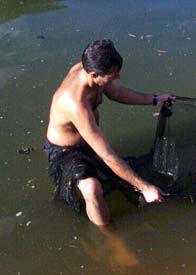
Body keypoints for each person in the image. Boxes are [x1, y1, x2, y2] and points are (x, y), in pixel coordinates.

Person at [44, 39, 175, 226]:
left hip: (89, 141)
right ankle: (109, 238)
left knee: (121, 171)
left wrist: (155, 99)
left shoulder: (94, 70)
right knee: (92, 188)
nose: (118, 78)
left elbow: (117, 94)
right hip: (66, 151)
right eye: (112, 76)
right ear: (94, 74)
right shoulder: (74, 103)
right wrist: (145, 188)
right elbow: (106, 154)